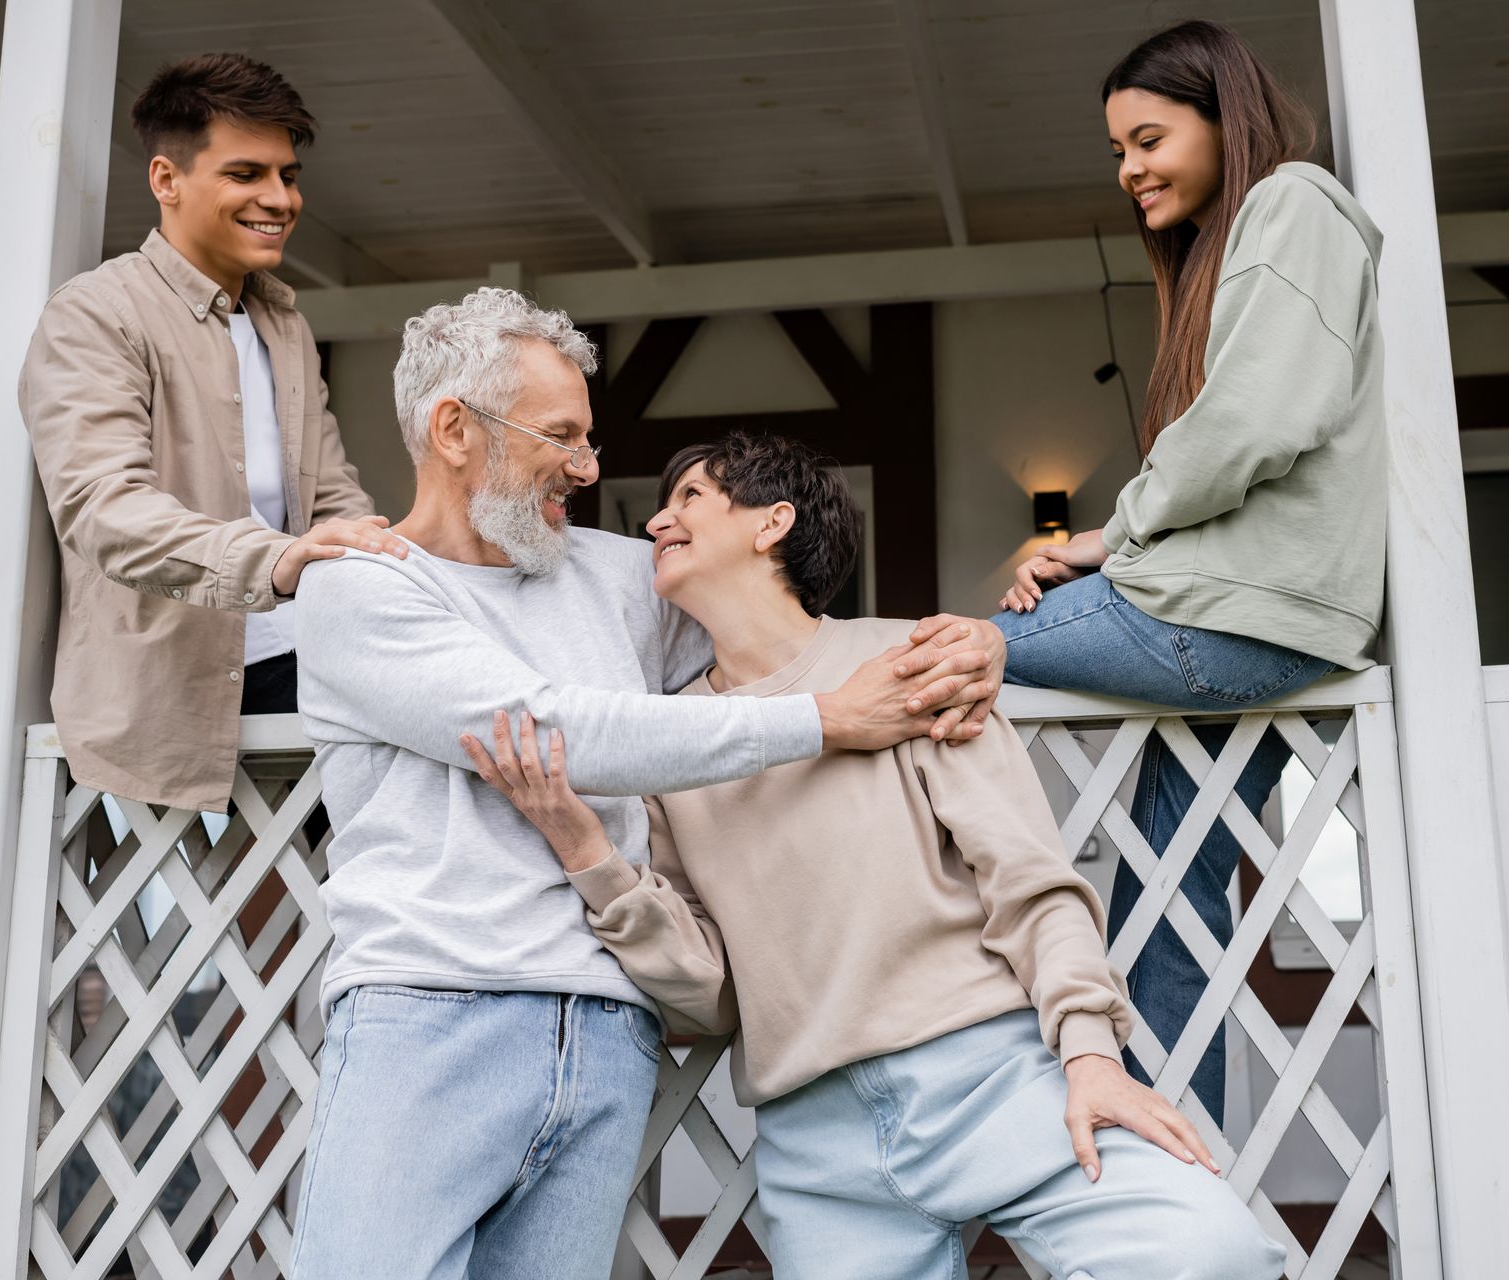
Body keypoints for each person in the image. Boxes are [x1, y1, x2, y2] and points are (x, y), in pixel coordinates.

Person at [286, 291, 1006, 1280]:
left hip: (609, 1028)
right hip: (430, 1013)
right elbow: (545, 729)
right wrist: (825, 721)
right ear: (454, 429)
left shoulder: (627, 577)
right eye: (562, 436)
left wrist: (980, 639)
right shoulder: (360, 587)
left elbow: (780, 636)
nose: (587, 467)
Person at [465, 432, 1287, 1280]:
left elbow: (1031, 886)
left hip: (992, 1079)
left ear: (771, 522)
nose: (659, 522)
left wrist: (1090, 1055)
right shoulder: (675, 738)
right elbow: (709, 993)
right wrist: (586, 849)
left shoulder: (915, 663)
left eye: (691, 499)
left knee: (1210, 1254)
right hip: (816, 1145)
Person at [991, 20, 1388, 1127]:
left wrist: (1104, 542)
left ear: (1228, 118)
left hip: (1219, 618)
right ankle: (1182, 1174)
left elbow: (1258, 417)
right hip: (1260, 625)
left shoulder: (1294, 202)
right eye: (1119, 152)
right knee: (1171, 898)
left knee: (928, 659)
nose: (1131, 171)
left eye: (1151, 138)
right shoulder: (1250, 234)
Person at [20, 52, 406, 812]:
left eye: (287, 175)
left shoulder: (282, 325)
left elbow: (334, 498)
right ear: (167, 180)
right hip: (175, 691)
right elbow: (105, 511)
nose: (279, 198)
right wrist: (281, 562)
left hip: (309, 657)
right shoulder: (97, 313)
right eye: (246, 174)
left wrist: (383, 555)